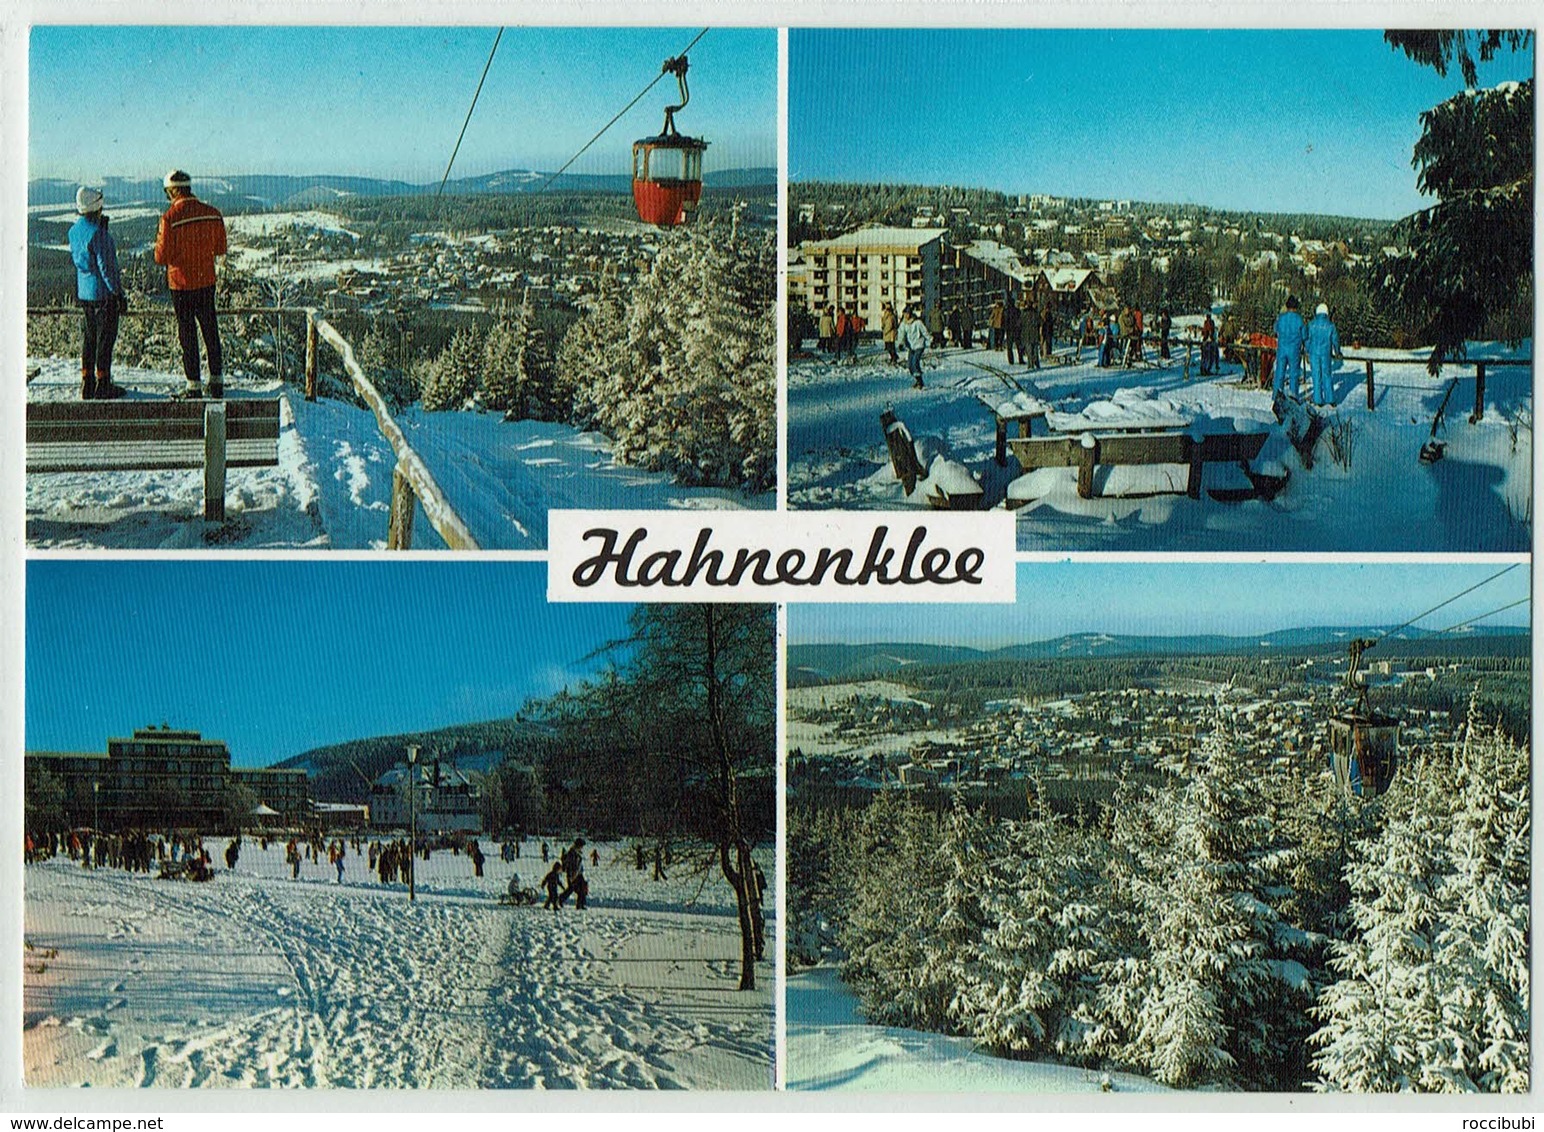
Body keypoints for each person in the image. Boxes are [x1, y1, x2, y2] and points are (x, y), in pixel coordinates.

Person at [154, 170, 228, 399]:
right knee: (210, 330)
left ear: (173, 190)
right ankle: (216, 380)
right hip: (206, 280)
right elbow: (221, 249)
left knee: (187, 334)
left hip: (181, 284)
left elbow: (161, 257)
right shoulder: (212, 214)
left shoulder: (169, 218)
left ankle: (193, 384)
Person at [69, 187, 127, 400]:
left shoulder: (74, 231)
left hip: (84, 293)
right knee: (105, 340)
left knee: (89, 339)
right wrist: (118, 294)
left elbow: (85, 260)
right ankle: (103, 384)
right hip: (103, 295)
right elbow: (107, 269)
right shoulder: (100, 235)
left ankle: (87, 382)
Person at [1307, 302, 1342, 407]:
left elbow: (1308, 340)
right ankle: (1330, 398)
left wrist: (1307, 352)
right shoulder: (1331, 325)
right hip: (1326, 353)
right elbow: (1335, 340)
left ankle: (1318, 399)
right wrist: (1337, 351)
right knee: (1327, 375)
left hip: (1314, 353)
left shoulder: (1311, 324)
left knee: (1316, 376)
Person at [1273, 295, 1308, 399]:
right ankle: (1293, 396)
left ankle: (1276, 395)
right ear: (1296, 307)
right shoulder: (1299, 319)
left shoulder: (1281, 318)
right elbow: (1304, 335)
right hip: (1294, 350)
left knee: (1280, 373)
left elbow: (1275, 329)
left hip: (1282, 349)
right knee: (1294, 374)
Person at [900, 306, 929, 389]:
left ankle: (920, 382)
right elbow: (902, 334)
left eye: (907, 314)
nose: (906, 315)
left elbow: (924, 332)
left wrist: (931, 339)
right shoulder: (904, 324)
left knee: (915, 362)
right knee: (910, 365)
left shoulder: (917, 323)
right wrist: (901, 343)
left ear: (910, 314)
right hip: (911, 347)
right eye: (904, 314)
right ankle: (918, 380)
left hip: (919, 345)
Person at [1002, 290, 1021, 365]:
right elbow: (1020, 320)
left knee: (1009, 347)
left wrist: (1004, 329)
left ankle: (1011, 360)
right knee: (1018, 345)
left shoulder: (1006, 311)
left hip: (1009, 330)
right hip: (1016, 329)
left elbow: (1004, 321)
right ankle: (1020, 358)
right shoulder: (1017, 310)